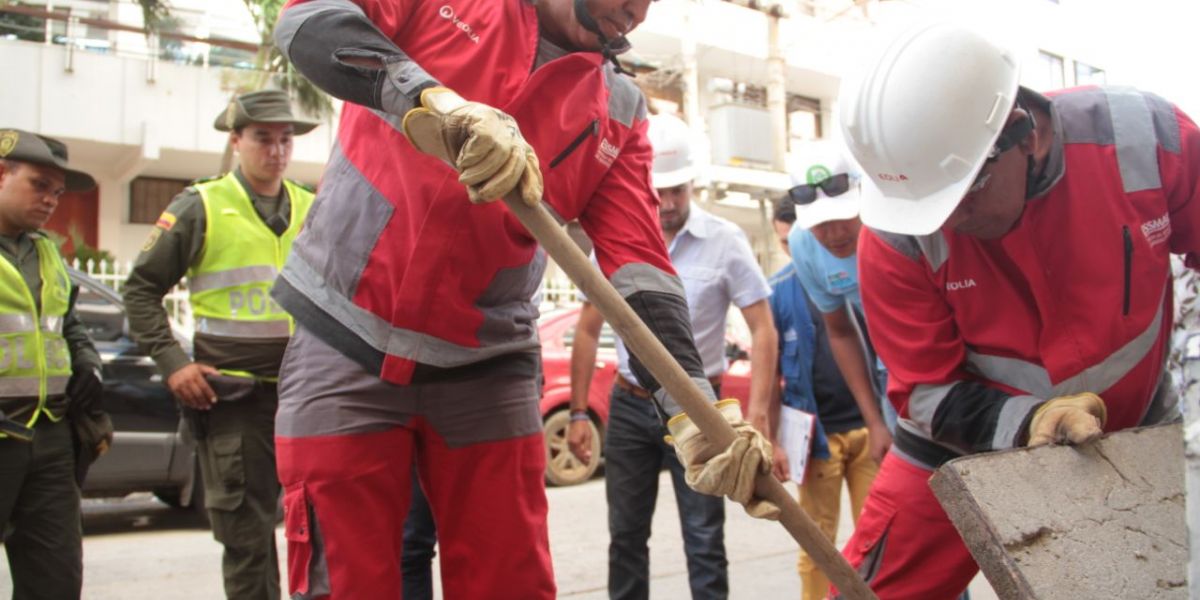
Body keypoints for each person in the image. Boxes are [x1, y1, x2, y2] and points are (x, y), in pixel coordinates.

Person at [270, 1, 776, 598]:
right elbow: (307, 20)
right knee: (344, 585)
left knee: (509, 582)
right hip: (342, 335)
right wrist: (430, 100)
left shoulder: (618, 109)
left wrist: (692, 406)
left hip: (486, 365)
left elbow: (640, 271)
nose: (635, 13)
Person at [833, 22, 1196, 599]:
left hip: (1130, 429)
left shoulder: (1146, 141)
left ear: (1023, 134)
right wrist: (1030, 421)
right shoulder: (898, 231)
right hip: (954, 450)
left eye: (963, 193)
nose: (948, 222)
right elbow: (926, 391)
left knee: (1147, 583)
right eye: (933, 206)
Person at [567, 112, 777, 600]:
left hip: (700, 410)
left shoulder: (725, 241)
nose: (666, 202)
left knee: (704, 538)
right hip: (629, 404)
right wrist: (579, 411)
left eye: (677, 190)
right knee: (625, 537)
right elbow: (585, 331)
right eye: (657, 190)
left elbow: (763, 329)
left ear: (692, 183)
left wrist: (761, 413)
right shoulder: (614, 241)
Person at [123, 90, 318, 600]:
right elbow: (140, 291)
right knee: (248, 540)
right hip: (233, 402)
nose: (275, 151)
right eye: (262, 139)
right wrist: (173, 364)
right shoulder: (201, 205)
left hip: (309, 398)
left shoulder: (312, 207)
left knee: (321, 533)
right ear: (236, 142)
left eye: (285, 139)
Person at [0, 129, 106, 600]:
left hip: (50, 437)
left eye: (57, 192)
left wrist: (88, 362)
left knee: (56, 580)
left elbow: (67, 324)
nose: (51, 200)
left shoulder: (46, 250)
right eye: (39, 185)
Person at [755, 191, 877, 600]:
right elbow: (769, 376)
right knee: (816, 546)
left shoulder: (854, 269)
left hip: (872, 429)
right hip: (817, 437)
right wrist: (771, 440)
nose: (797, 251)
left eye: (799, 239)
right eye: (785, 244)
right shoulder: (775, 292)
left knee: (883, 541)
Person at [784, 152, 893, 462]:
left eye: (842, 217)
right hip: (892, 371)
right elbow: (841, 332)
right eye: (820, 224)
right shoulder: (802, 244)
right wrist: (874, 422)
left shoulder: (892, 218)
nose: (834, 234)